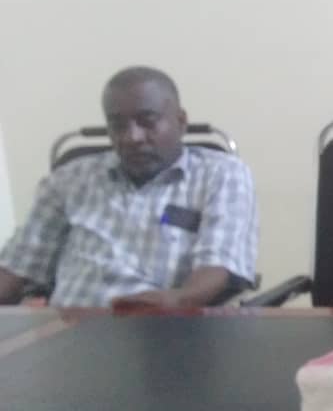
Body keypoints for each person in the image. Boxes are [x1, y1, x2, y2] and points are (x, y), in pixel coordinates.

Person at [0, 66, 258, 307]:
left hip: (162, 324)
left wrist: (175, 301)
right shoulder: (69, 179)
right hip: (68, 324)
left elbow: (218, 265)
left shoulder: (220, 174)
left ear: (181, 122)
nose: (132, 137)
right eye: (117, 125)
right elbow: (17, 267)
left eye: (148, 121)